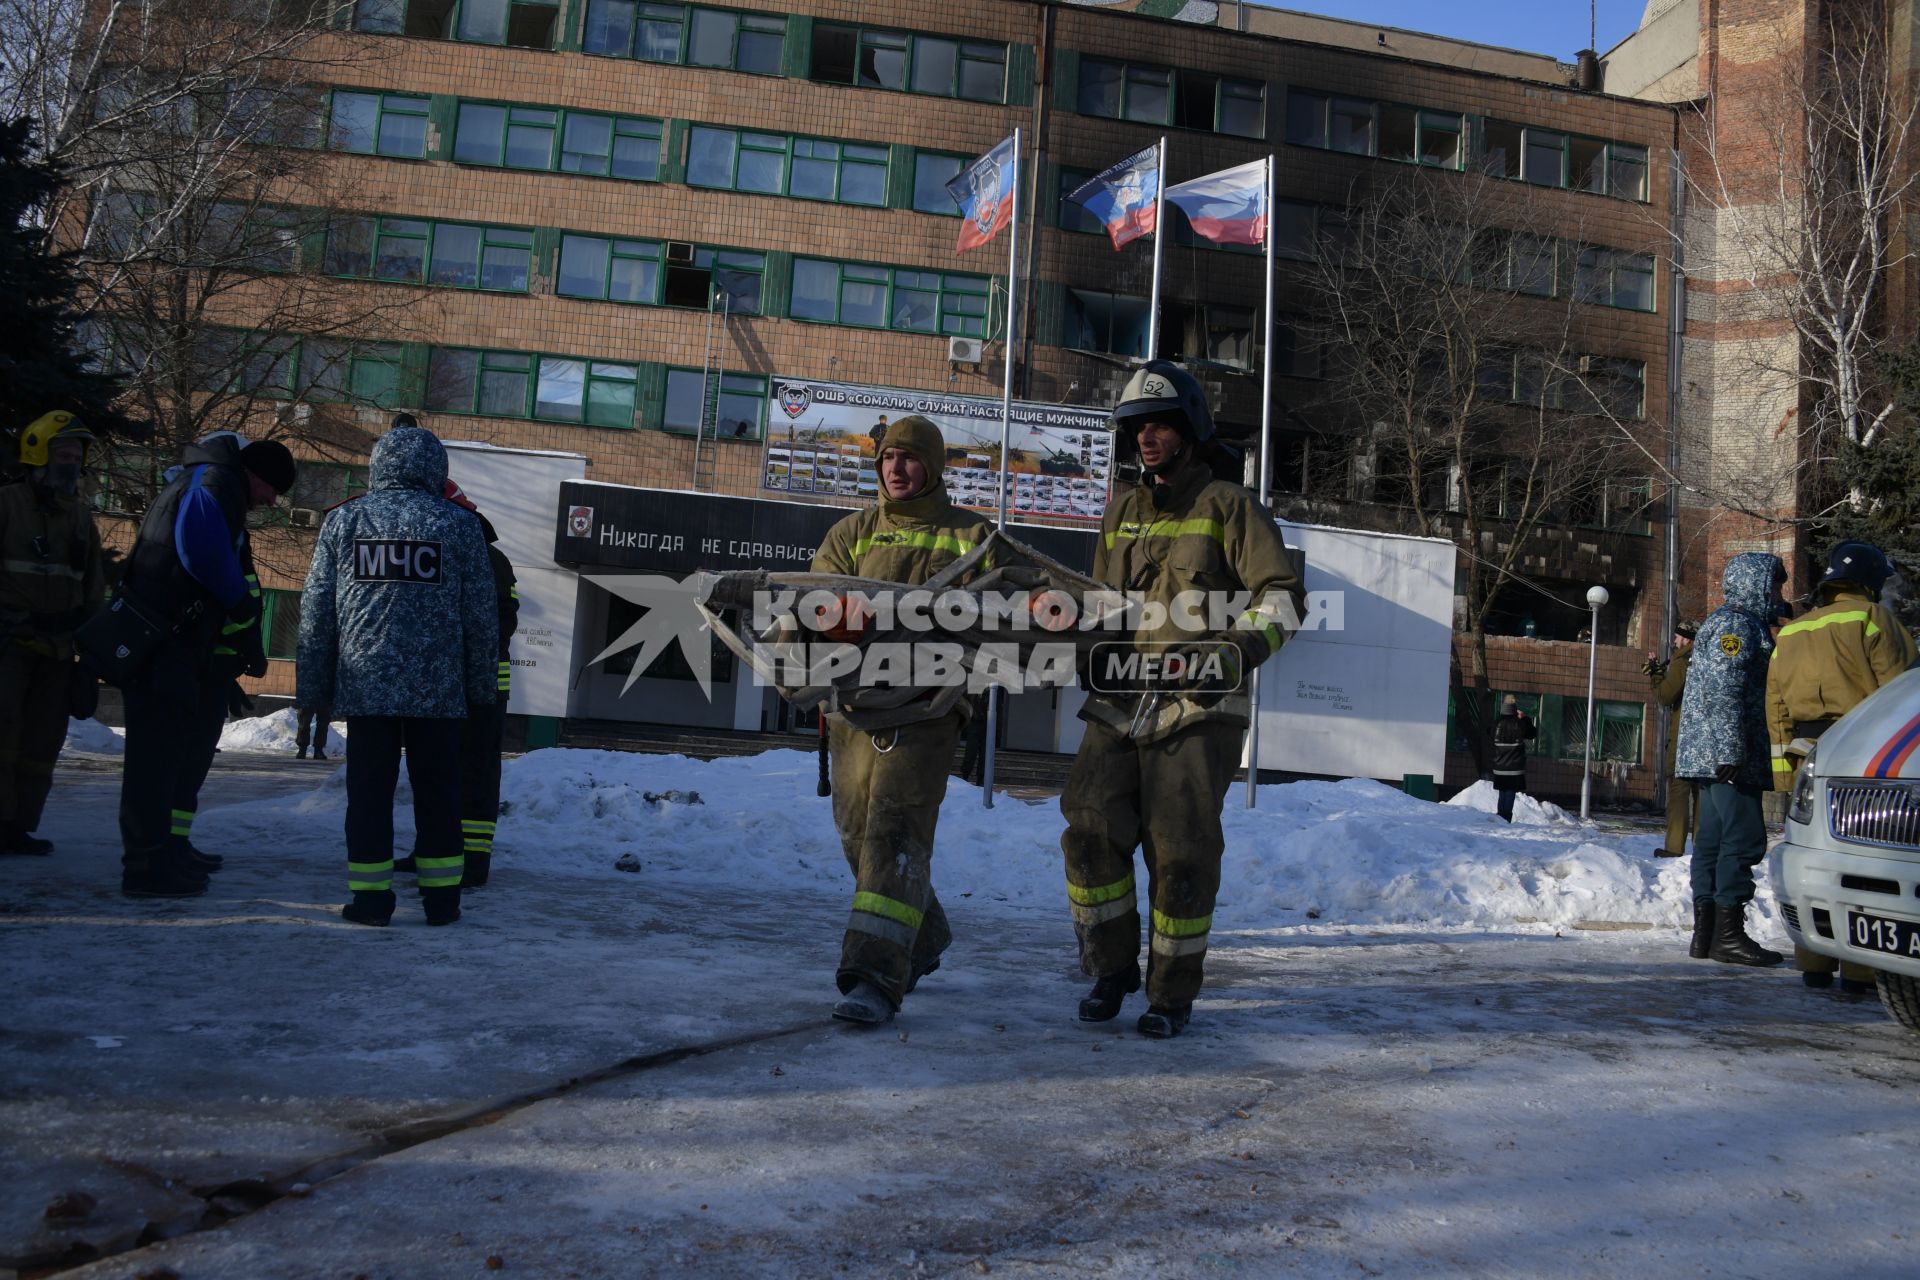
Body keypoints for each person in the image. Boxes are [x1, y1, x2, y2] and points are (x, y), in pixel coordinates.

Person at [1059, 362, 1307, 1038]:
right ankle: (1111, 968)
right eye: (1139, 427)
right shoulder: (1122, 513)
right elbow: (1101, 606)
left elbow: (1282, 599)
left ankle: (1170, 993)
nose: (1147, 437)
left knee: (1181, 849)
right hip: (1121, 700)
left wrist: (1235, 652)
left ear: (1191, 428)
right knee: (1087, 822)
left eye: (1161, 424)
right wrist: (1085, 645)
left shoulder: (1231, 506)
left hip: (1199, 706)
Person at [811, 415, 989, 1025]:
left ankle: (874, 978)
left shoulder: (973, 536)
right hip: (855, 711)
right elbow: (814, 603)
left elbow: (1001, 610)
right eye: (888, 457)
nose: (896, 467)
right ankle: (927, 934)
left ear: (934, 467)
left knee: (895, 834)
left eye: (910, 458)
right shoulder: (851, 533)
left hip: (929, 712)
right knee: (858, 836)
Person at [296, 421, 496, 927]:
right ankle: (442, 902)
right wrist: (480, 689)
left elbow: (317, 613)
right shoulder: (459, 526)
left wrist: (313, 689)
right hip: (438, 691)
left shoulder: (344, 523)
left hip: (366, 686)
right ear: (437, 468)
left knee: (368, 796)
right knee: (439, 794)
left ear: (378, 465)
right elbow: (480, 617)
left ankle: (370, 900)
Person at [114, 434, 293, 897]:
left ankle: (159, 855)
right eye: (271, 489)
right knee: (155, 762)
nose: (271, 500)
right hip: (165, 645)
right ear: (253, 474)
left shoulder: (207, 482)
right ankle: (147, 867)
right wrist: (239, 607)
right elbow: (200, 551)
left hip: (171, 644)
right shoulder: (212, 485)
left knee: (166, 758)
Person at [1766, 541, 1917, 992]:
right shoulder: (1873, 619)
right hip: (1861, 758)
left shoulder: (1790, 633)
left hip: (1806, 756)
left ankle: (1814, 964)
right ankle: (1860, 972)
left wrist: (1784, 773)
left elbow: (1774, 707)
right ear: (1869, 580)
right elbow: (1902, 694)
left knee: (1816, 855)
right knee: (1862, 864)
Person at [1675, 552, 1788, 968]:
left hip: (1712, 756)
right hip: (1727, 758)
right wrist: (1731, 751)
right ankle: (1728, 936)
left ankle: (1705, 936)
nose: (1779, 593)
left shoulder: (1730, 621)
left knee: (1714, 842)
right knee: (1741, 840)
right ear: (1756, 584)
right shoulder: (1738, 624)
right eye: (1774, 585)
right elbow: (1725, 690)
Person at [0, 413, 104, 855]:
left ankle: (20, 826)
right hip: (8, 644)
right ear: (37, 453)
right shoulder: (6, 505)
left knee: (42, 743)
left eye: (76, 457)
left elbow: (93, 588)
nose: (70, 463)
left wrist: (92, 654)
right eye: (63, 454)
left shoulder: (81, 519)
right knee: (3, 735)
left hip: (58, 651)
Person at [442, 478, 517, 889]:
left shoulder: (487, 560)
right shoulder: (482, 556)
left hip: (481, 686)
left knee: (474, 772)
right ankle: (436, 848)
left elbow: (498, 624)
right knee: (446, 769)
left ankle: (473, 861)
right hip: (468, 682)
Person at [1644, 621, 1699, 858]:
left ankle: (1674, 847)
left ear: (1687, 639)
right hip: (1704, 738)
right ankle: (1703, 846)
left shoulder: (1682, 661)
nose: (1674, 641)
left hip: (1683, 735)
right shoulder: (1707, 660)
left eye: (1678, 637)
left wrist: (1655, 674)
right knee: (1702, 791)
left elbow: (1666, 696)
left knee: (1679, 789)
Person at [1490, 694, 1536, 822]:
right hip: (1515, 767)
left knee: (1502, 793)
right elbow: (1532, 734)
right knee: (1510, 792)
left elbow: (1489, 734)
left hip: (1499, 766)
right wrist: (1525, 718)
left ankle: (1500, 818)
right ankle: (1506, 819)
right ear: (1514, 710)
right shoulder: (1519, 724)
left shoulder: (1496, 724)